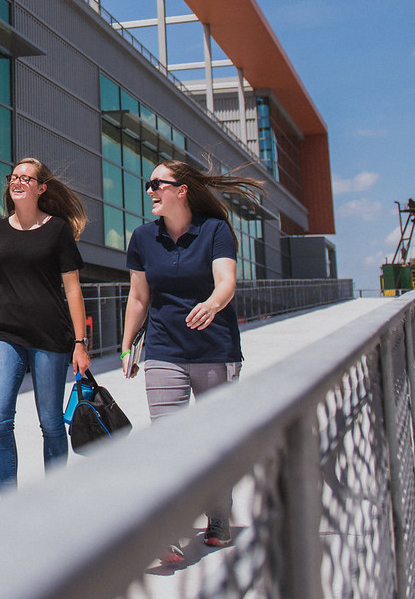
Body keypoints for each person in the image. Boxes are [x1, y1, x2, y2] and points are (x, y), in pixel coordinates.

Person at [121, 159, 262, 558]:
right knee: (167, 440)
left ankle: (219, 513)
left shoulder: (215, 230)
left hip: (214, 350)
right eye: (148, 185)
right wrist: (129, 344)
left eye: (156, 184)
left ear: (181, 190)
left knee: (213, 440)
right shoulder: (143, 238)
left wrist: (213, 304)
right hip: (163, 348)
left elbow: (226, 282)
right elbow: (138, 297)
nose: (149, 191)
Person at [0, 158, 89, 492]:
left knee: (51, 423)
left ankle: (51, 500)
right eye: (14, 177)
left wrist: (80, 343)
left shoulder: (58, 230)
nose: (18, 181)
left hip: (50, 335)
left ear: (41, 188)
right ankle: (10, 504)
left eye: (27, 178)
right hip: (4, 334)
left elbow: (73, 288)